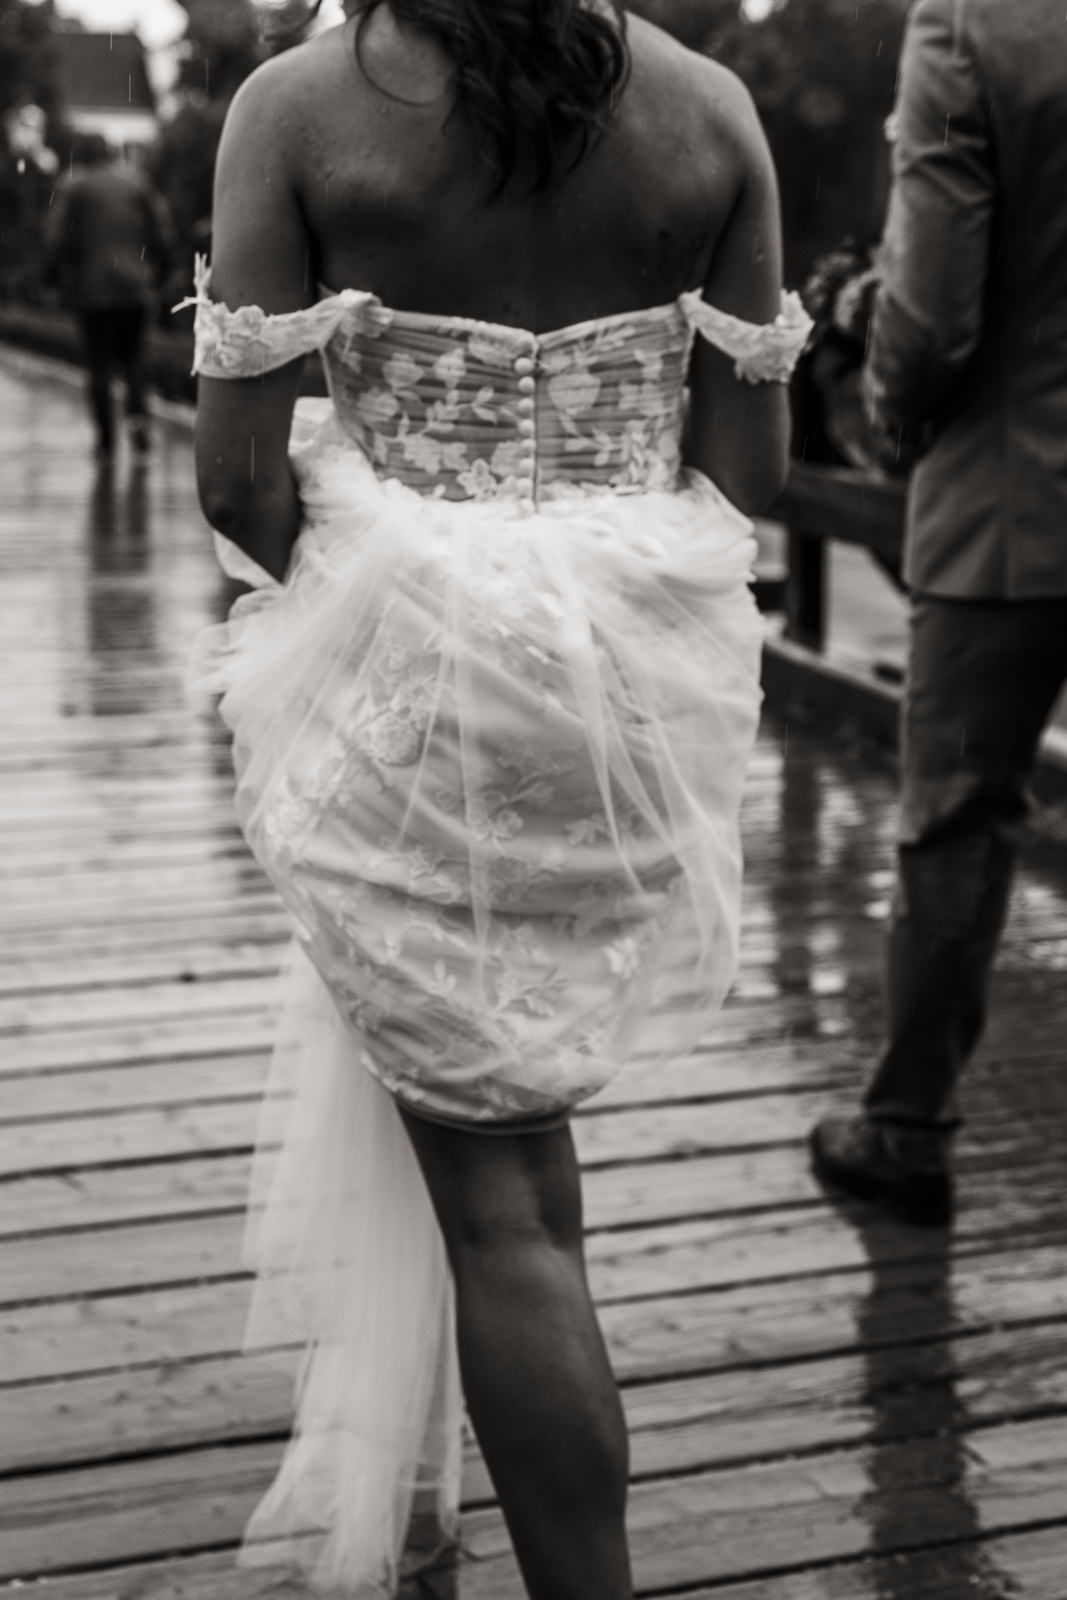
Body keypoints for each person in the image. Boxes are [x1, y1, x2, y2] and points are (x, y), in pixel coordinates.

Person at [188, 1, 809, 1595]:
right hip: (625, 698)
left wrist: (359, 631)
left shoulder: (299, 110)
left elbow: (237, 485)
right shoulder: (707, 114)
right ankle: (425, 1491)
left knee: (508, 1212)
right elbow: (750, 474)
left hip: (406, 683)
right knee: (504, 1150)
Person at [810, 0, 1067, 1228]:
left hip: (1012, 503)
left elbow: (930, 319)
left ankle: (907, 1129)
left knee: (957, 820)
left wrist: (872, 357)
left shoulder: (972, 27)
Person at [44, 137, 175, 458]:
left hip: (93, 292)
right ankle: (138, 421)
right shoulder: (136, 184)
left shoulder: (73, 188)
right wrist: (160, 273)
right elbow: (161, 230)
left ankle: (106, 439)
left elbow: (55, 237)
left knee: (99, 364)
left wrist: (51, 278)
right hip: (134, 287)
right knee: (134, 361)